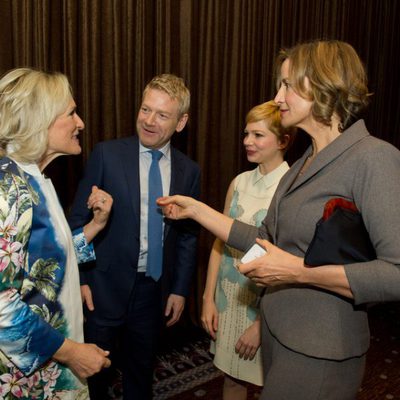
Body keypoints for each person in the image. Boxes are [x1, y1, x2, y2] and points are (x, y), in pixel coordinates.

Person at [158, 39, 400, 400]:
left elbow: (395, 273)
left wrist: (298, 272)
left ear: (321, 85)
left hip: (322, 350)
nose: (277, 96)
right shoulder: (300, 167)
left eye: (287, 84)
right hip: (280, 335)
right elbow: (264, 239)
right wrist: (197, 210)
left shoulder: (373, 158)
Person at [68, 73, 201, 399]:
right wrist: (82, 276)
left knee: (141, 371)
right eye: (145, 110)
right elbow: (77, 220)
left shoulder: (189, 171)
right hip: (102, 287)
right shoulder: (107, 155)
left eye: (162, 115)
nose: (149, 121)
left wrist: (180, 289)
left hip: (152, 289)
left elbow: (187, 236)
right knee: (94, 374)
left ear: (181, 122)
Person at [0, 68, 112, 399]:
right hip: (26, 378)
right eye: (71, 114)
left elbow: (41, 266)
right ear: (40, 121)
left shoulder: (35, 180)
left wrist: (94, 228)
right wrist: (71, 352)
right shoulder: (10, 189)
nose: (80, 123)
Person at [201, 100, 295, 399]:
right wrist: (207, 298)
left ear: (283, 141)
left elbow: (289, 263)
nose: (247, 141)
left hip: (266, 307)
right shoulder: (239, 182)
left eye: (257, 135)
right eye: (246, 134)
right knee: (232, 379)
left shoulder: (291, 188)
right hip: (230, 301)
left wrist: (260, 324)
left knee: (275, 384)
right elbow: (220, 241)